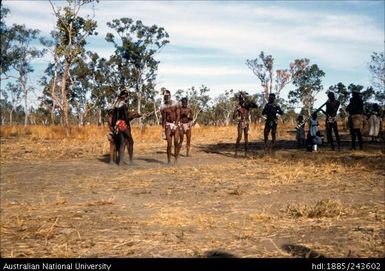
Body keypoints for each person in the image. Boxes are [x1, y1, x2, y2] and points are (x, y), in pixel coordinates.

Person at [111, 89, 136, 165]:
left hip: (117, 124)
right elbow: (125, 117)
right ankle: (131, 161)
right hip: (123, 124)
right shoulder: (124, 105)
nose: (127, 97)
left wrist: (114, 126)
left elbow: (114, 118)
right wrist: (132, 118)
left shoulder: (116, 105)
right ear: (125, 96)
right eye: (127, 96)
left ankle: (121, 162)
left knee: (122, 142)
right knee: (130, 141)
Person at [233, 93, 258, 157]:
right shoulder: (238, 107)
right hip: (241, 123)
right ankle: (236, 152)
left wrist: (250, 103)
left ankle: (246, 153)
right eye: (240, 99)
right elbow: (233, 117)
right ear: (239, 100)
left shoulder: (247, 106)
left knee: (246, 137)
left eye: (243, 99)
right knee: (240, 136)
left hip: (246, 123)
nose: (242, 101)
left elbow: (256, 106)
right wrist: (236, 112)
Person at [160, 88, 181, 164]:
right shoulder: (163, 106)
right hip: (168, 125)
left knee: (176, 141)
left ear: (170, 96)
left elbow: (178, 115)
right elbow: (163, 118)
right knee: (169, 144)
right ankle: (169, 161)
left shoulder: (175, 103)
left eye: (167, 96)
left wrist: (175, 125)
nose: (165, 97)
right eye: (164, 96)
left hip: (175, 124)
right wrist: (163, 129)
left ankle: (176, 159)